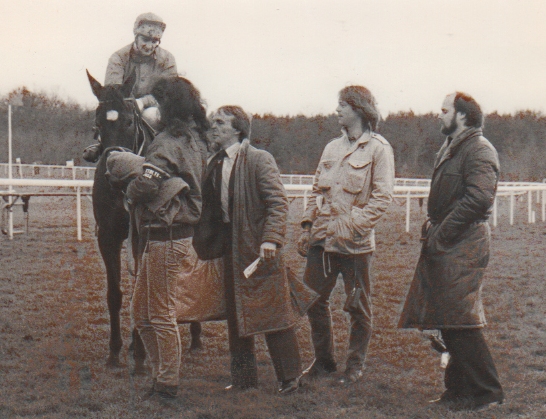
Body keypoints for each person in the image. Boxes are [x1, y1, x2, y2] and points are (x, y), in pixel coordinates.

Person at [398, 92, 504, 411]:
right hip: (448, 241)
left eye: (444, 111)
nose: (439, 115)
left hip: (464, 243)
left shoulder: (480, 150)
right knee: (449, 318)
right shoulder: (451, 147)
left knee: (460, 320)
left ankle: (488, 391)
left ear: (462, 115)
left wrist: (441, 232)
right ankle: (457, 390)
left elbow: (479, 199)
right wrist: (433, 227)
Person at [193, 105, 302, 395]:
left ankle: (290, 379)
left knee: (274, 313)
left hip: (259, 248)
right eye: (212, 122)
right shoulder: (213, 162)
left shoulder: (258, 159)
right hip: (230, 247)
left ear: (238, 129)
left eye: (220, 123)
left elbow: (278, 203)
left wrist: (271, 240)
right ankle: (244, 380)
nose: (213, 127)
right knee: (236, 313)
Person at [297, 85, 395, 384]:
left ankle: (354, 366)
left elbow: (382, 197)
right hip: (322, 241)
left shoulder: (379, 148)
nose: (337, 110)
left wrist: (352, 225)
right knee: (312, 301)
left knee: (358, 306)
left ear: (359, 109)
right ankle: (324, 361)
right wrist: (306, 225)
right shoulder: (331, 148)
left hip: (356, 246)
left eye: (342, 105)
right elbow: (316, 190)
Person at [126, 76, 208, 400]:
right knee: (139, 311)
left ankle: (167, 384)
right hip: (169, 234)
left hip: (167, 234)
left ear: (167, 105)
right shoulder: (193, 139)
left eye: (156, 103)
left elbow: (146, 185)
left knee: (158, 312)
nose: (153, 110)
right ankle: (163, 376)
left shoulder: (166, 142)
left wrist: (128, 193)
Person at [83, 12, 178, 163]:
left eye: (155, 41)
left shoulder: (167, 60)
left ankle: (163, 157)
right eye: (145, 39)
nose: (149, 45)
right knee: (111, 114)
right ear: (136, 36)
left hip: (155, 107)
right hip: (124, 106)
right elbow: (112, 90)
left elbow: (166, 93)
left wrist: (143, 102)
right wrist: (130, 104)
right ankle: (103, 146)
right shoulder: (118, 57)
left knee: (151, 115)